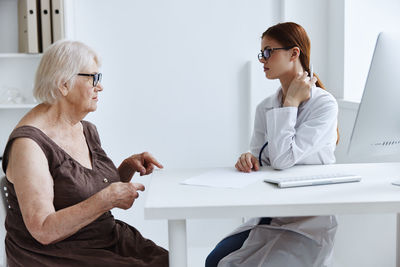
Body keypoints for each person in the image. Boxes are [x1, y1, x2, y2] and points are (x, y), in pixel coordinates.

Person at [1, 40, 168, 267]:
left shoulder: (84, 128)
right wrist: (108, 198)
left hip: (101, 237)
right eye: (93, 78)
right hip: (57, 255)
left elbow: (82, 190)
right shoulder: (28, 145)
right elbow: (43, 230)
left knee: (171, 259)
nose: (100, 87)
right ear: (63, 85)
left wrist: (127, 167)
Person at [206, 22, 339, 267]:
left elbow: (281, 160)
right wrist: (248, 159)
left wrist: (290, 104)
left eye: (269, 52)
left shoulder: (324, 105)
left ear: (294, 53)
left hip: (305, 222)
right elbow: (261, 159)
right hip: (271, 213)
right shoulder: (264, 106)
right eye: (261, 53)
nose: (262, 59)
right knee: (214, 260)